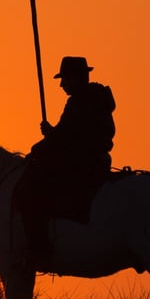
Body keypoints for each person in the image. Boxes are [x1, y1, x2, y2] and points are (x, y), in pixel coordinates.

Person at [17, 56, 116, 266]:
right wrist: (51, 136)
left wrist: (47, 137)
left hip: (79, 163)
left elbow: (66, 137)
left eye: (65, 79)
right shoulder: (96, 99)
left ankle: (39, 248)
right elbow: (69, 134)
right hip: (93, 160)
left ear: (77, 78)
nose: (62, 84)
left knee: (31, 190)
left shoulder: (80, 102)